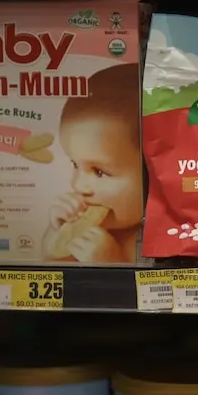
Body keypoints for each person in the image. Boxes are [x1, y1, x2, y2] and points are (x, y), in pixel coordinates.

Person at [43, 63, 142, 263]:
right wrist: (57, 233)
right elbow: (49, 264)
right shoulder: (87, 221)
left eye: (99, 172)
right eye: (75, 165)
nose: (78, 185)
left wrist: (114, 263)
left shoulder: (154, 239)